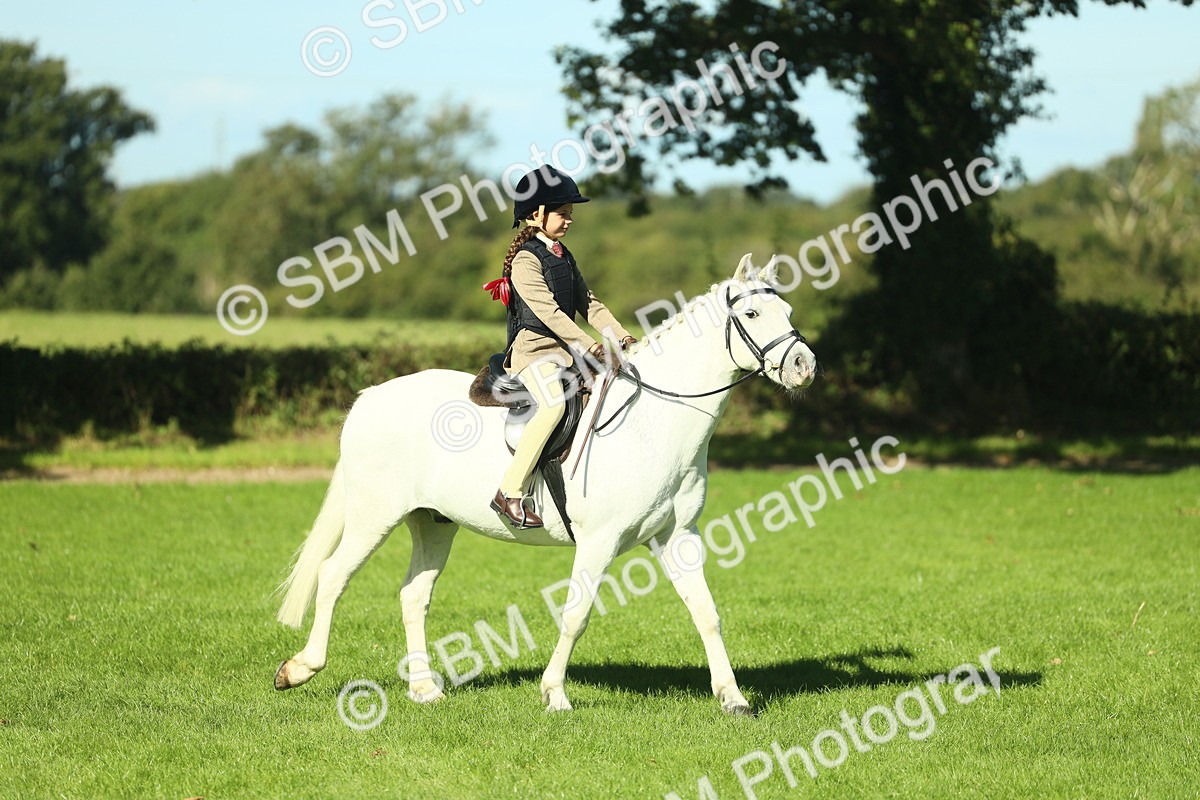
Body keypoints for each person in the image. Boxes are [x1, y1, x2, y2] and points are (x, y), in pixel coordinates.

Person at [483, 165, 637, 528]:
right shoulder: (524, 260)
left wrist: (621, 335)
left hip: (567, 353)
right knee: (552, 406)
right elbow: (550, 314)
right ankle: (510, 492)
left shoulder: (563, 254)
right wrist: (592, 346)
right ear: (536, 214)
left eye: (570, 214)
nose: (569, 220)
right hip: (534, 353)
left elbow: (589, 303)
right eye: (562, 213)